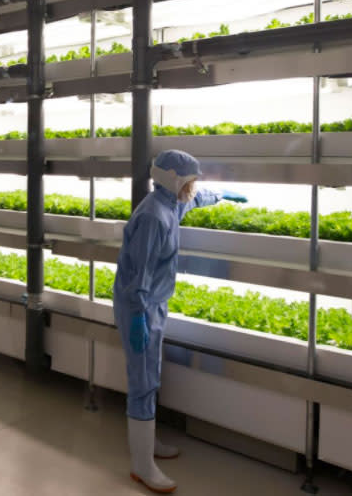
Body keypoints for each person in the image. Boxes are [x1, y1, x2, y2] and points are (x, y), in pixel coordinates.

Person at [113, 149, 248, 493]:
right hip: (138, 307)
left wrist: (222, 196)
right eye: (190, 180)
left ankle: (148, 443)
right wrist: (139, 319)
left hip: (153, 304)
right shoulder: (154, 218)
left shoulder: (171, 204)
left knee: (152, 375)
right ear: (174, 180)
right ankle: (142, 466)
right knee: (143, 381)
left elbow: (195, 200)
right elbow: (139, 278)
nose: (194, 186)